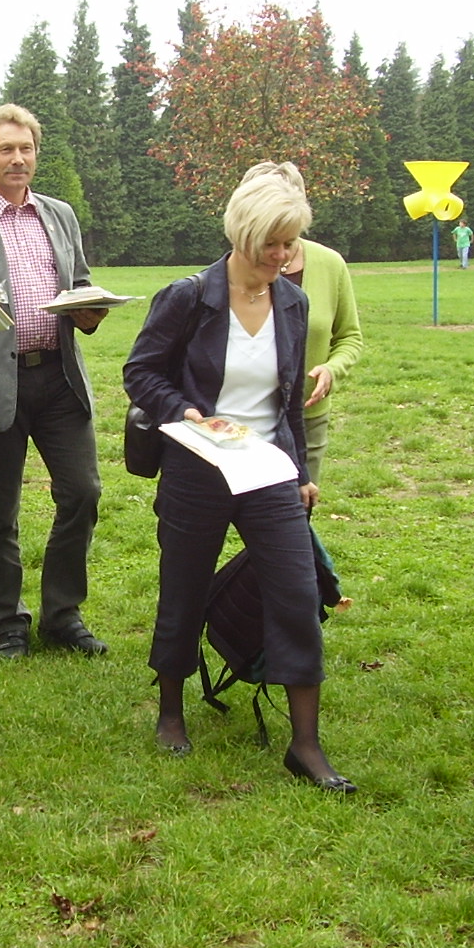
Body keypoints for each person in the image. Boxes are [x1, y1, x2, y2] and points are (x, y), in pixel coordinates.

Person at [124, 169, 351, 790]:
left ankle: (305, 744)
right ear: (243, 236)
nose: (282, 256)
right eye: (271, 243)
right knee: (184, 588)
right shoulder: (189, 297)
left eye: (290, 243)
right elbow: (140, 371)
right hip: (197, 466)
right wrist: (184, 412)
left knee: (297, 594)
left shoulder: (293, 304)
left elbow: (288, 400)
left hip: (267, 469)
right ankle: (171, 711)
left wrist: (300, 473)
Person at [0, 103, 107, 659]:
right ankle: (7, 622)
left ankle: (62, 614)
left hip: (58, 376)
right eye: (6, 149)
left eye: (26, 148)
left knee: (82, 493)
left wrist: (89, 310)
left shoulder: (59, 215)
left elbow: (79, 283)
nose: (18, 158)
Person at [241, 162, 362, 485]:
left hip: (307, 417)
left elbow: (349, 337)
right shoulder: (229, 272)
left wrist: (332, 369)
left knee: (297, 509)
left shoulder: (329, 264)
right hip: (241, 420)